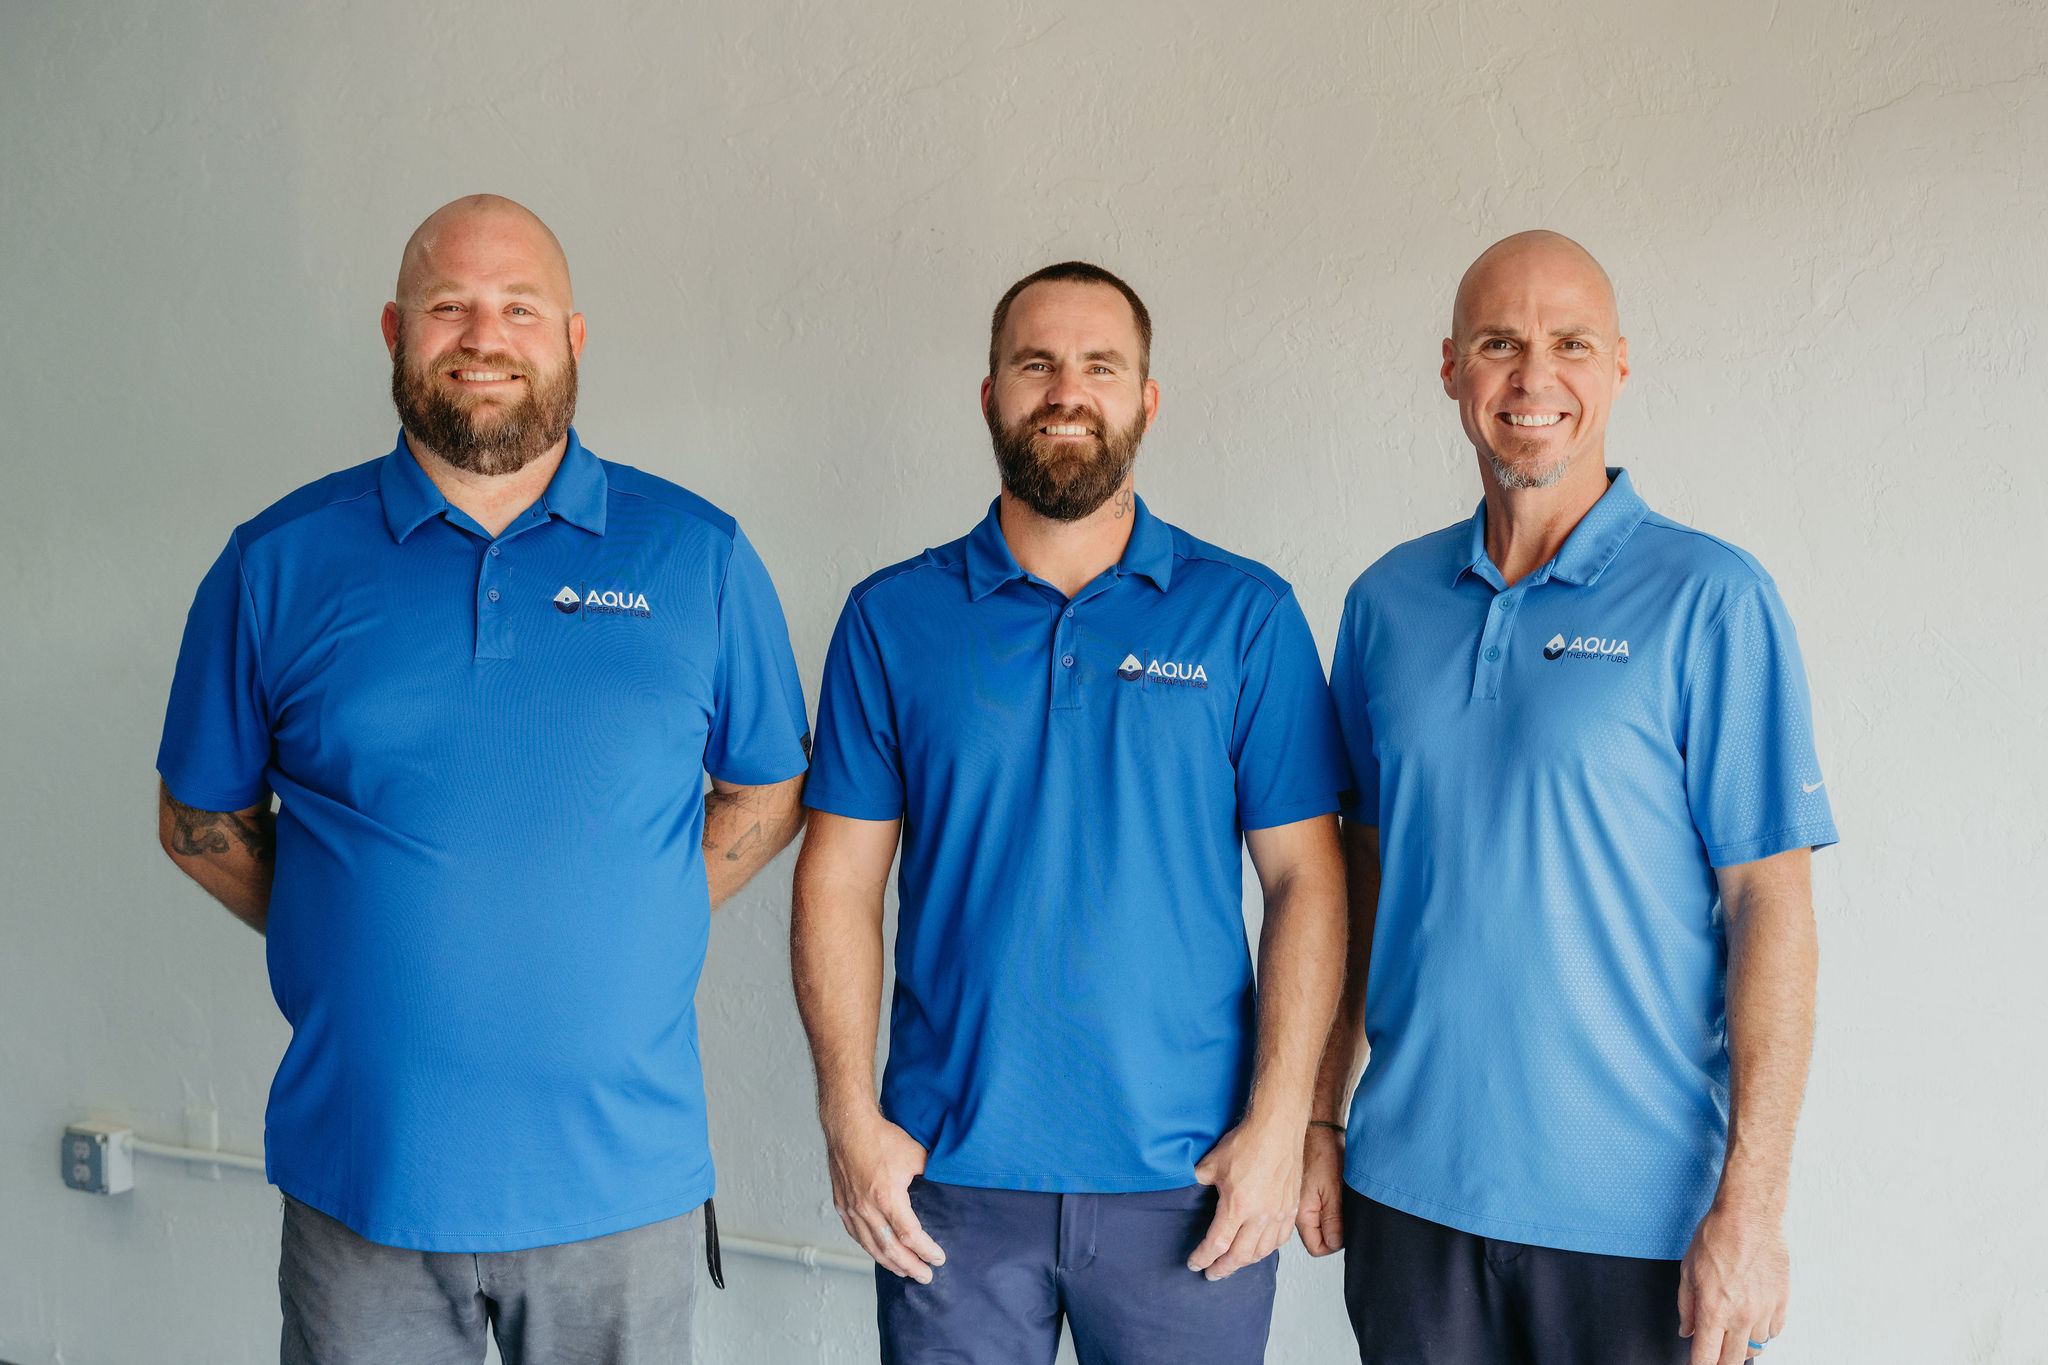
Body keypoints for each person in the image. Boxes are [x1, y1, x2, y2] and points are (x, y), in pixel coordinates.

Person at [155, 194, 811, 1365]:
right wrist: (340, 911)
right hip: (367, 1186)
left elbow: (767, 793)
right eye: (448, 307)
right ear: (395, 331)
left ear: (571, 335)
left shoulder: (696, 555)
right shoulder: (276, 562)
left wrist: (633, 902)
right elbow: (198, 818)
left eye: (518, 307)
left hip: (622, 1190)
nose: (482, 336)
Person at [791, 261, 1349, 1364]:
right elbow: (838, 880)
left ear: (1146, 400)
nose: (1065, 389)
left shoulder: (1244, 616)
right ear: (990, 393)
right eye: (1034, 363)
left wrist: (1281, 1126)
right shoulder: (891, 619)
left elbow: (1306, 881)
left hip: (1186, 1184)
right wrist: (849, 1121)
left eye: (1100, 365)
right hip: (945, 1184)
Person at [1300, 230, 1839, 1365]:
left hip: (1637, 1225)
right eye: (1498, 344)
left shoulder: (1710, 600)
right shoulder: (1384, 605)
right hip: (1410, 1200)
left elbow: (1769, 906)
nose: (1531, 377)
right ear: (1449, 368)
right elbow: (1355, 879)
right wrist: (1316, 1116)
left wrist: (1751, 1206)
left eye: (1568, 344)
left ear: (1617, 366)